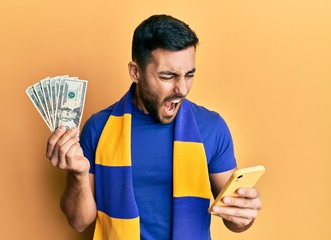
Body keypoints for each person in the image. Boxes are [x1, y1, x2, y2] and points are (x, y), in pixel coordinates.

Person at [46, 14, 262, 240]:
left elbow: (234, 221)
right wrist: (77, 175)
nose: (182, 89)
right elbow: (79, 222)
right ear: (135, 72)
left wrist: (244, 215)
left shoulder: (211, 127)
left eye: (189, 75)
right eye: (167, 76)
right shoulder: (98, 128)